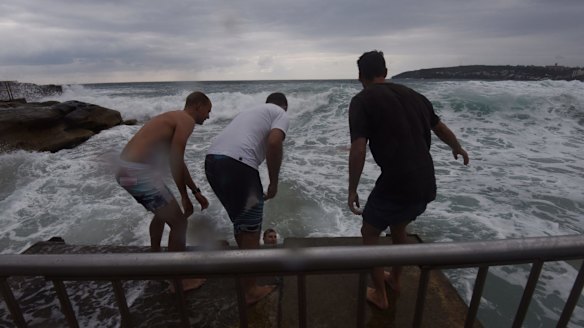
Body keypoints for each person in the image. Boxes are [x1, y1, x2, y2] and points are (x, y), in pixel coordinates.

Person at [347, 50, 469, 310]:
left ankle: (380, 294)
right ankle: (395, 279)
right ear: (386, 72)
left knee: (369, 233)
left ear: (360, 76)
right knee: (398, 228)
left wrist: (352, 189)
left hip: (398, 181)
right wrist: (456, 147)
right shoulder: (415, 96)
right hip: (425, 180)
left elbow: (358, 148)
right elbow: (440, 128)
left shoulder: (362, 100)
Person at [116, 91, 212, 291]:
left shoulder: (173, 117)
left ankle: (156, 259)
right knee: (179, 222)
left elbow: (178, 161)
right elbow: (175, 160)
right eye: (208, 111)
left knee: (163, 213)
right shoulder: (186, 120)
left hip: (127, 170)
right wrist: (185, 197)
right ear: (197, 106)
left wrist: (194, 191)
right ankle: (177, 281)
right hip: (136, 172)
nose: (208, 116)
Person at [205, 92, 289, 305]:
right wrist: (273, 182)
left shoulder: (251, 112)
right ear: (284, 106)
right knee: (251, 228)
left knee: (241, 223)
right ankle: (250, 290)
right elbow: (274, 143)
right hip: (238, 165)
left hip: (212, 162)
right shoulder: (280, 112)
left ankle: (246, 276)